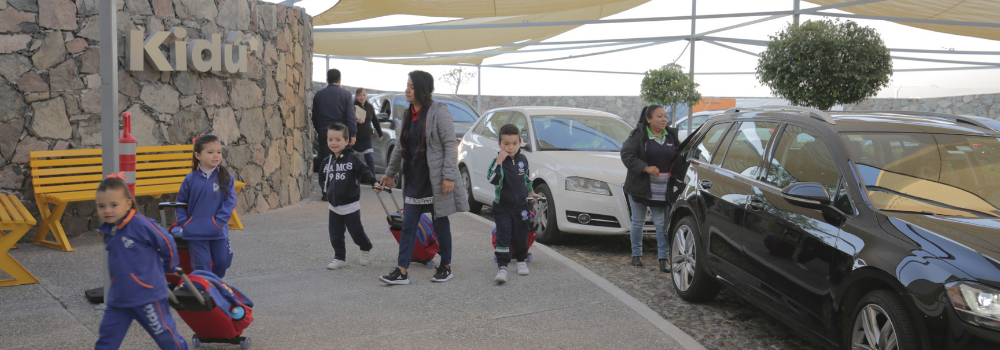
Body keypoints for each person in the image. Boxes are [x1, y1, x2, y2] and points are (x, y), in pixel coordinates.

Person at [375, 70, 470, 285]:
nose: (407, 90)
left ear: (422, 89)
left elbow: (449, 144)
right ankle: (402, 271)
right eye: (406, 85)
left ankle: (445, 266)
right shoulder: (408, 114)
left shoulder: (439, 111)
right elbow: (399, 147)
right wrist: (390, 173)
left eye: (411, 86)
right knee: (408, 225)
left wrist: (448, 176)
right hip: (415, 180)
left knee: (440, 224)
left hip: (435, 180)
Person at [94, 176, 188, 350]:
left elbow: (166, 240)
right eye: (102, 206)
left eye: (114, 205)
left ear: (128, 204)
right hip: (119, 299)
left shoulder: (140, 224)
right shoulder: (109, 230)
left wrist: (170, 265)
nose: (107, 210)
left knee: (166, 337)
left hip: (147, 296)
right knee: (106, 340)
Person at [620, 105, 680, 273]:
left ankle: (663, 258)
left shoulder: (671, 136)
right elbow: (627, 155)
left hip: (663, 188)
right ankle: (636, 255)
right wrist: (645, 168)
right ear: (648, 119)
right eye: (659, 116)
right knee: (638, 221)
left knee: (661, 224)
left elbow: (679, 157)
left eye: (665, 116)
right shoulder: (638, 135)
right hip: (640, 186)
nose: (663, 119)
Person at [176, 134, 237, 278]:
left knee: (222, 261)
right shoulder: (190, 179)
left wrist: (218, 223)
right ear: (198, 155)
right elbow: (180, 203)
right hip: (196, 233)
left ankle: (216, 285)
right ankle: (206, 291)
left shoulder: (226, 177)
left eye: (218, 152)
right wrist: (186, 224)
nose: (215, 156)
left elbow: (230, 201)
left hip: (218, 230)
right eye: (210, 152)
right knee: (202, 265)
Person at [487, 124, 541, 283]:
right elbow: (492, 179)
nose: (510, 147)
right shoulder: (497, 161)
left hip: (522, 207)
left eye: (514, 143)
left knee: (521, 234)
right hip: (502, 207)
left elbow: (526, 178)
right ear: (500, 144)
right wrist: (499, 161)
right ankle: (502, 267)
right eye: (506, 144)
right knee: (503, 234)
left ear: (520, 143)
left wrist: (530, 193)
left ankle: (521, 261)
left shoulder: (523, 159)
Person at [320, 123, 377, 270]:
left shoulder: (352, 158)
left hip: (350, 205)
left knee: (356, 232)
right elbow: (322, 177)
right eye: (330, 139)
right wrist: (325, 190)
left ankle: (366, 247)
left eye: (338, 139)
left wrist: (374, 183)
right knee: (335, 234)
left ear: (347, 141)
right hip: (334, 206)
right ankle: (339, 257)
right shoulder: (327, 161)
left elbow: (365, 171)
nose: (333, 143)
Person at [312, 69, 357, 201]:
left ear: (327, 80)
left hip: (324, 132)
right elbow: (351, 116)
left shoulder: (319, 95)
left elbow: (314, 116)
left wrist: (320, 129)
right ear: (339, 80)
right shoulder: (346, 94)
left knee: (326, 161)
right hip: (340, 133)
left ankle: (326, 191)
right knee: (341, 162)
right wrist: (352, 134)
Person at [353, 88, 383, 180]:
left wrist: (380, 133)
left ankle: (373, 179)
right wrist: (356, 121)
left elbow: (375, 120)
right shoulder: (352, 107)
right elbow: (348, 121)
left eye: (363, 95)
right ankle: (354, 178)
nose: (362, 97)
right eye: (359, 95)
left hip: (367, 137)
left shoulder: (369, 107)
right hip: (356, 138)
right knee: (355, 160)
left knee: (370, 159)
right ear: (356, 97)